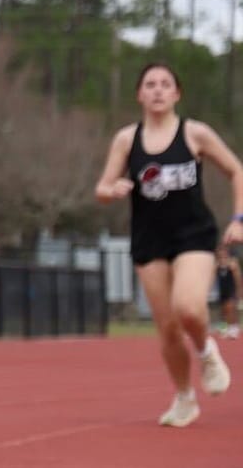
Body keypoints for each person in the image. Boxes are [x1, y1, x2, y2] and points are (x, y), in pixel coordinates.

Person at [93, 62, 240, 426]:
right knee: (168, 327)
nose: (158, 90)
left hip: (193, 235)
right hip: (150, 239)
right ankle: (184, 398)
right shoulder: (127, 140)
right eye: (150, 84)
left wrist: (239, 219)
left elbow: (236, 170)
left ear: (177, 93)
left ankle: (207, 353)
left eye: (165, 84)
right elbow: (102, 188)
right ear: (139, 94)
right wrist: (112, 190)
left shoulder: (195, 134)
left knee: (188, 307)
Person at [215, 245, 239, 340]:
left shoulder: (232, 264)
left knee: (231, 309)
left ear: (227, 253)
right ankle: (226, 329)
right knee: (224, 311)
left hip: (231, 289)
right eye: (219, 252)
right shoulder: (217, 265)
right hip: (222, 290)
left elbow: (238, 278)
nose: (221, 254)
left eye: (223, 252)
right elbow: (212, 278)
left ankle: (234, 328)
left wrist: (239, 290)